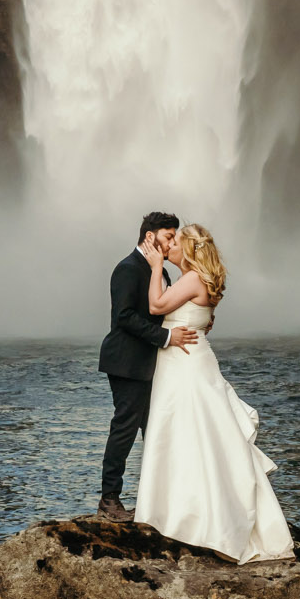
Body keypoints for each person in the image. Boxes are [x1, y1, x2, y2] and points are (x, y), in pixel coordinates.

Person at [130, 222, 293, 562]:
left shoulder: (189, 278)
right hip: (191, 357)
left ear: (189, 250)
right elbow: (198, 316)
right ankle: (191, 512)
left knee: (187, 433)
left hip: (183, 364)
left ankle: (185, 517)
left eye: (175, 241)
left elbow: (157, 308)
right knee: (200, 435)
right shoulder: (203, 281)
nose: (169, 245)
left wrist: (156, 267)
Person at [96, 211, 196, 519]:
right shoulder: (127, 269)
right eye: (168, 237)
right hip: (127, 362)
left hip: (151, 364)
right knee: (125, 429)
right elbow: (125, 317)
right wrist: (167, 336)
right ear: (149, 237)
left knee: (155, 431)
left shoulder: (158, 269)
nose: (171, 244)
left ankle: (158, 501)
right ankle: (109, 499)